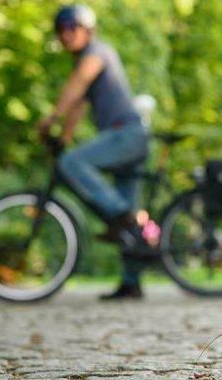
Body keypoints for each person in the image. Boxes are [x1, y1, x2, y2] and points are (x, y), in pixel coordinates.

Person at [38, 4, 152, 300]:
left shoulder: (98, 52)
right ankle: (131, 283)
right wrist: (62, 136)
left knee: (73, 164)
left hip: (127, 134)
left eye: (70, 28)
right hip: (127, 137)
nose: (64, 35)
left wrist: (51, 118)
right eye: (60, 30)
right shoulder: (86, 61)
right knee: (127, 214)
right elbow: (77, 106)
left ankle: (122, 216)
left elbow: (77, 85)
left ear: (87, 30)